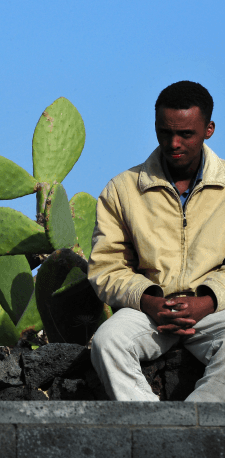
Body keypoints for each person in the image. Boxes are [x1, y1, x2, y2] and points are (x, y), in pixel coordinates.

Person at [89, 80, 225, 401]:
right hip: (149, 311)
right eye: (165, 132)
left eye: (186, 134)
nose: (173, 142)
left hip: (214, 310)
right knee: (107, 342)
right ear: (155, 126)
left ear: (208, 130)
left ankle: (197, 427)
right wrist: (151, 301)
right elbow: (105, 268)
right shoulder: (122, 189)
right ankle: (153, 429)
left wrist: (207, 301)